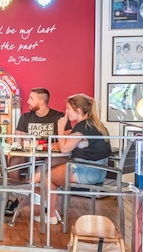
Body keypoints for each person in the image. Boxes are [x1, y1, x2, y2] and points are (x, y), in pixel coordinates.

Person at [40, 93, 111, 224]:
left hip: (87, 173)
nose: (65, 112)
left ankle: (50, 216)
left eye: (68, 109)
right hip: (100, 172)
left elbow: (65, 149)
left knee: (48, 176)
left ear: (78, 111)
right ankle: (34, 182)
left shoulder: (82, 127)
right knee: (54, 163)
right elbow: (76, 145)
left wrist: (60, 128)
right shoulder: (96, 125)